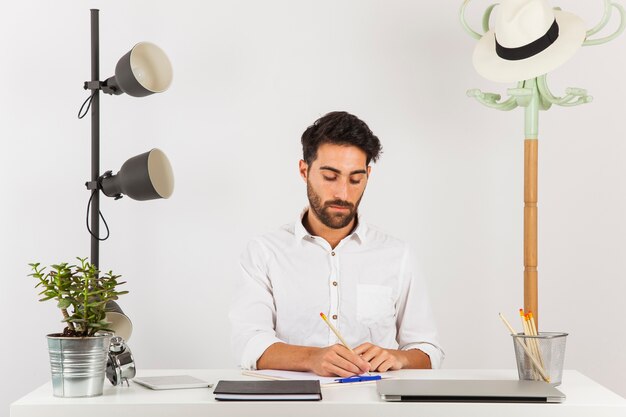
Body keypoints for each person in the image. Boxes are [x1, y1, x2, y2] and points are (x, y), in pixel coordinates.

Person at [230, 111, 443, 377]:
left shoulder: (397, 254)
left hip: (376, 407)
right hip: (292, 406)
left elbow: (428, 350)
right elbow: (249, 344)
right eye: (330, 177)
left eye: (355, 179)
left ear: (368, 175)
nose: (343, 193)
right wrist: (312, 358)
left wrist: (398, 358)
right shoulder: (264, 252)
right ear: (304, 170)